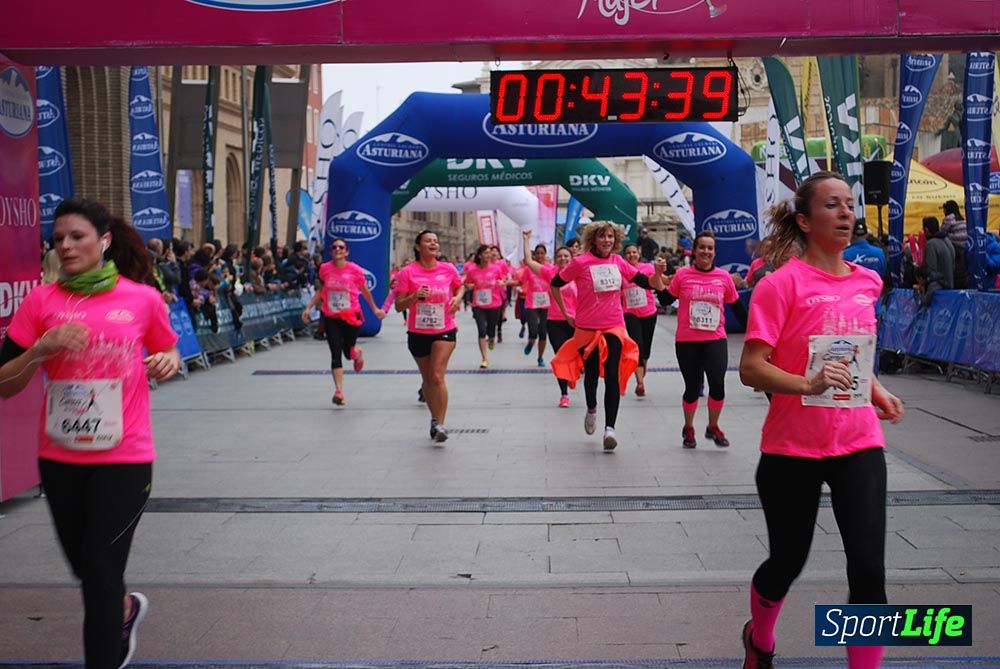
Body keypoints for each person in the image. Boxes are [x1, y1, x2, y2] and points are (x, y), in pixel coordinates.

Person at [0, 197, 181, 669]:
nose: (65, 246)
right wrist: (41, 348)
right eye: (58, 239)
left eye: (76, 236)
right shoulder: (41, 302)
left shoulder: (141, 298)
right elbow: (3, 383)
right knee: (87, 568)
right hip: (60, 460)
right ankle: (124, 608)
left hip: (124, 458)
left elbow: (168, 351)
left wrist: (167, 362)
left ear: (103, 241)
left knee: (100, 573)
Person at [738, 172, 904, 669]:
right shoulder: (778, 285)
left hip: (858, 442)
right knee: (787, 562)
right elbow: (751, 368)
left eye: (850, 204)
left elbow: (855, 353)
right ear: (806, 221)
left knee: (869, 573)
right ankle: (760, 639)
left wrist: (875, 388)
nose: (846, 213)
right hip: (792, 448)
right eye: (833, 205)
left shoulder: (866, 281)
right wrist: (807, 385)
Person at [549, 221, 667, 450]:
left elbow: (645, 282)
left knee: (612, 374)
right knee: (592, 374)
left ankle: (609, 429)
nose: (607, 241)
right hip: (586, 328)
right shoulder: (580, 263)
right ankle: (592, 408)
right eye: (602, 236)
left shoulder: (618, 261)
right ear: (593, 239)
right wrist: (566, 313)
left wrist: (658, 274)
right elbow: (555, 284)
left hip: (614, 325)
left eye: (611, 237)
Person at [661, 230, 745, 448]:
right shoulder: (682, 275)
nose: (706, 251)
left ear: (715, 253)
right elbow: (666, 299)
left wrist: (754, 332)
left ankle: (712, 426)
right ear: (695, 250)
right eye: (702, 247)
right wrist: (657, 277)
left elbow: (737, 308)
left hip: (715, 338)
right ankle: (688, 428)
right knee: (693, 387)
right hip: (687, 340)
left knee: (717, 383)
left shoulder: (723, 277)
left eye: (710, 248)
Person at [395, 230, 465, 443]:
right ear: (418, 247)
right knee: (427, 379)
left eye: (435, 241)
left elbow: (459, 286)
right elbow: (399, 306)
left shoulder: (448, 269)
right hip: (418, 331)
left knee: (436, 376)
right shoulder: (407, 272)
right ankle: (435, 420)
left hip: (445, 328)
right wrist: (414, 297)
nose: (433, 243)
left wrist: (458, 298)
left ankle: (440, 423)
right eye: (428, 241)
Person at [301, 238, 385, 406]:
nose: (337, 249)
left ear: (346, 251)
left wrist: (375, 308)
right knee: (335, 352)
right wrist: (308, 307)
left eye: (341, 247)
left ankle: (357, 353)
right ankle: (338, 391)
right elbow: (322, 289)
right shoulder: (325, 268)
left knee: (348, 353)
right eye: (334, 247)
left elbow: (364, 290)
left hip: (351, 316)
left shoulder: (354, 270)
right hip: (332, 316)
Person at [522, 230, 578, 406]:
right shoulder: (551, 272)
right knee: (561, 357)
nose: (563, 259)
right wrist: (526, 240)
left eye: (566, 256)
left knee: (577, 356)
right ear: (555, 259)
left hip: (577, 322)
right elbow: (529, 262)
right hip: (555, 322)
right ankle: (564, 394)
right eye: (560, 256)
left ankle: (573, 373)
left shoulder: (579, 273)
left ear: (571, 258)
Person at [621, 243, 658, 397]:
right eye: (628, 253)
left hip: (649, 313)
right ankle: (640, 383)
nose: (631, 255)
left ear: (639, 253)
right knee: (637, 345)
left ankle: (641, 373)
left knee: (646, 351)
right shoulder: (621, 271)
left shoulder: (648, 268)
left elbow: (659, 281)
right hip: (630, 313)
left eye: (634, 252)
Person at [463, 244, 506, 369]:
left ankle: (492, 338)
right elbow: (467, 284)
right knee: (481, 330)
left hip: (494, 303)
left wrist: (501, 282)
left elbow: (502, 280)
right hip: (478, 305)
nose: (489, 255)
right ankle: (484, 358)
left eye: (490, 253)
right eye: (486, 253)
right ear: (480, 255)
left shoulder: (496, 268)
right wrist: (469, 286)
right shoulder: (472, 270)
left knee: (490, 330)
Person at [521, 241, 554, 367]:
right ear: (535, 255)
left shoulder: (550, 268)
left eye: (542, 253)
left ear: (545, 254)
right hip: (532, 304)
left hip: (547, 304)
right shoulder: (530, 269)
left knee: (543, 333)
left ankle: (540, 357)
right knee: (534, 331)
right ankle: (530, 342)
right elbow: (521, 281)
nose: (540, 255)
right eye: (538, 253)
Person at [940, 199, 968, 289]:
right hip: (965, 246)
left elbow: (942, 233)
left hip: (955, 246)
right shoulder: (962, 218)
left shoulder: (949, 218)